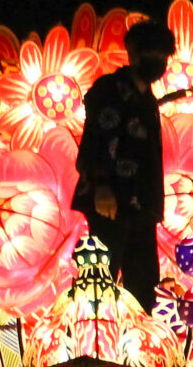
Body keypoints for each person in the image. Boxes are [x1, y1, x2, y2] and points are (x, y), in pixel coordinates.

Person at [74, 18, 173, 309]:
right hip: (112, 199)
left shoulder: (148, 100)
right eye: (152, 54)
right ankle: (90, 346)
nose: (158, 61)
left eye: (163, 56)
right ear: (133, 53)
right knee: (100, 278)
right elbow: (95, 138)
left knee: (143, 285)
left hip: (143, 203)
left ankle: (137, 350)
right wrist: (102, 184)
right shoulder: (109, 88)